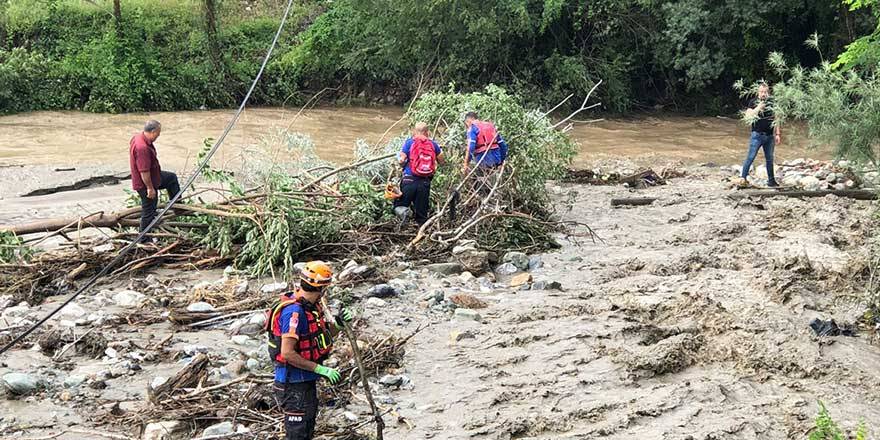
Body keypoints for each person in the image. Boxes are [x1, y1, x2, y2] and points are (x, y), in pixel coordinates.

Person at [266, 261, 352, 440]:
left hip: (306, 383)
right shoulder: (294, 312)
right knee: (297, 434)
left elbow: (319, 337)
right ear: (322, 288)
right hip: (292, 384)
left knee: (307, 431)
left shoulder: (311, 308)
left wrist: (338, 325)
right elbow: (287, 352)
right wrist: (319, 369)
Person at [129, 120, 180, 233]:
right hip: (145, 183)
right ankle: (144, 239)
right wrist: (150, 188)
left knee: (171, 178)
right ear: (153, 132)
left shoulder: (138, 137)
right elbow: (144, 171)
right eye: (158, 133)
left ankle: (177, 206)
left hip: (155, 177)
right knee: (149, 211)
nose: (159, 135)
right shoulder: (142, 148)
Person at [393, 122, 443, 225]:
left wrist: (400, 160)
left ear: (414, 131)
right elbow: (442, 160)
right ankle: (421, 233)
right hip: (425, 182)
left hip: (409, 180)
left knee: (399, 206)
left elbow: (401, 160)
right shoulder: (433, 144)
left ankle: (402, 226)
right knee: (422, 214)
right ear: (427, 132)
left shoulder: (409, 142)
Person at [739, 83, 782, 187]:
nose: (763, 94)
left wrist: (777, 133)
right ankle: (742, 179)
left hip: (769, 136)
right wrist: (758, 108)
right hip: (757, 135)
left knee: (770, 159)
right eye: (762, 92)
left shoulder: (772, 103)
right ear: (758, 92)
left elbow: (777, 118)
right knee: (750, 157)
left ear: (768, 93)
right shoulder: (753, 102)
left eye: (765, 92)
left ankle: (771, 181)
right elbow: (748, 116)